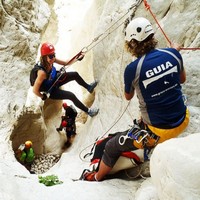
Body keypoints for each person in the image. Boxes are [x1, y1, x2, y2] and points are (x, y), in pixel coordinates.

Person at [83, 17, 189, 181]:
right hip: (183, 119)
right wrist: (173, 52)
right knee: (142, 119)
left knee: (111, 146)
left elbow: (128, 96)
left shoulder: (133, 69)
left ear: (132, 43)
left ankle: (97, 177)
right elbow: (182, 79)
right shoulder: (173, 54)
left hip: (159, 131)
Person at [32, 42, 99, 117]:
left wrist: (77, 58)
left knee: (74, 75)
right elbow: (35, 90)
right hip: (51, 91)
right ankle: (89, 111)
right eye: (51, 56)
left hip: (55, 80)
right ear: (44, 57)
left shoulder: (51, 59)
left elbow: (65, 62)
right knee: (71, 95)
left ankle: (89, 87)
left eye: (54, 55)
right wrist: (42, 96)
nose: (53, 57)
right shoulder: (41, 73)